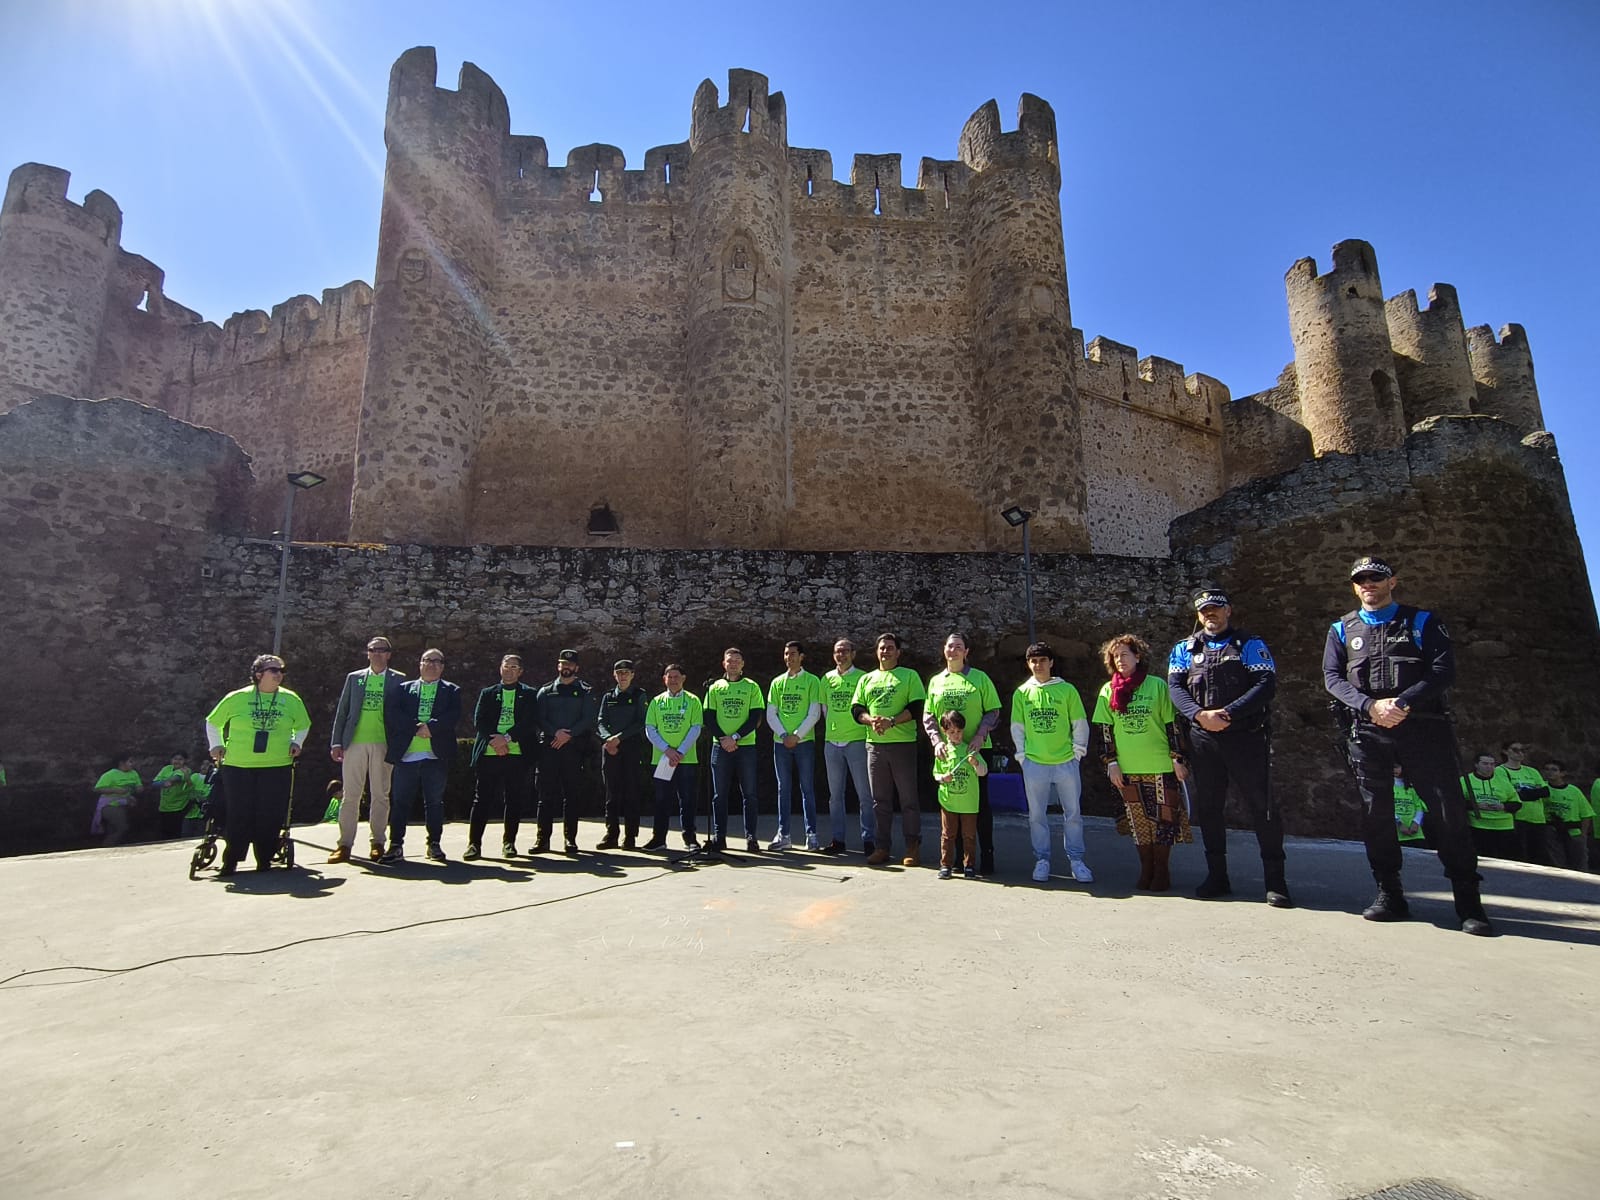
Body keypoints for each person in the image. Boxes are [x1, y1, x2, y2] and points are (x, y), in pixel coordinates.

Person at [1323, 555, 1493, 935]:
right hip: (1367, 731)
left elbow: (1442, 670)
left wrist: (1403, 703)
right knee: (1376, 814)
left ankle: (1469, 902)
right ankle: (1390, 893)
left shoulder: (1422, 621)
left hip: (1422, 727)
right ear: (1354, 586)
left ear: (1392, 582)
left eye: (1376, 578)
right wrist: (1370, 705)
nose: (1368, 584)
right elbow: (1332, 678)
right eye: (1361, 579)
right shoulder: (1341, 629)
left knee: (1447, 812)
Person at [1166, 590, 1291, 907]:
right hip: (1203, 739)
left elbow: (1265, 686)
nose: (1211, 614)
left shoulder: (1249, 644)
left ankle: (1276, 883)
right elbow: (1176, 688)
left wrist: (1228, 714)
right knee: (1209, 808)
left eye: (1216, 609)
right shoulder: (1184, 648)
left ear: (1228, 611)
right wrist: (1198, 715)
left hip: (1245, 737)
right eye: (1205, 610)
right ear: (1198, 615)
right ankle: (1217, 876)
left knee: (1262, 807)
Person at [1092, 633, 1192, 891]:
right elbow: (1104, 731)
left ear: (1137, 656)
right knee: (1139, 824)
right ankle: (1146, 869)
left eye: (1125, 654)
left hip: (1159, 765)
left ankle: (1162, 870)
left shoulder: (1157, 686)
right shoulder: (1107, 691)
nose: (1120, 659)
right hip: (1127, 769)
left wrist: (1178, 758)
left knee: (1164, 822)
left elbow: (1173, 725)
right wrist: (1111, 763)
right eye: (1115, 656)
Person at [204, 654, 311, 875]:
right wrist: (217, 745)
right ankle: (231, 860)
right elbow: (213, 722)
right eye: (274, 670)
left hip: (276, 764)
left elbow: (303, 724)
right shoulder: (237, 697)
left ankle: (264, 859)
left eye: (281, 671)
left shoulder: (291, 699)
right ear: (259, 674)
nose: (279, 675)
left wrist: (296, 742)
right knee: (239, 812)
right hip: (238, 764)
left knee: (269, 813)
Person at [1010, 641, 1093, 885]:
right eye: (1034, 661)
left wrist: (1077, 752)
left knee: (1073, 814)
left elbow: (1079, 722)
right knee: (1036, 815)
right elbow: (1018, 727)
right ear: (1028, 664)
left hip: (1065, 762)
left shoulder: (1067, 690)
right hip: (1035, 764)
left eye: (1043, 660)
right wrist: (1022, 757)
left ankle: (1077, 860)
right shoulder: (1022, 693)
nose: (1038, 665)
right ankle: (1042, 860)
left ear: (1051, 663)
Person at [922, 633, 1003, 876]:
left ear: (966, 651)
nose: (953, 650)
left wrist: (979, 735)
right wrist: (937, 742)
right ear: (943, 650)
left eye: (959, 647)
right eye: (950, 646)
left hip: (976, 751)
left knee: (979, 805)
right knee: (954, 803)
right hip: (948, 751)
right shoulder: (936, 681)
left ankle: (985, 856)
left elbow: (993, 711)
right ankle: (956, 860)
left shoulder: (979, 678)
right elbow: (929, 716)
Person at [328, 635, 407, 863]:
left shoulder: (398, 680)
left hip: (383, 742)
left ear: (389, 654)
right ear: (368, 653)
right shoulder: (354, 678)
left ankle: (378, 842)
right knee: (350, 795)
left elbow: (402, 714)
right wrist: (336, 742)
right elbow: (343, 711)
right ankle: (344, 844)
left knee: (381, 794)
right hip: (355, 742)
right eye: (373, 650)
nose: (377, 654)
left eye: (382, 650)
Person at [851, 633, 927, 866]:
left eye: (890, 648)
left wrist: (891, 721)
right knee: (879, 800)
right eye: (882, 648)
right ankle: (882, 847)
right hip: (874, 746)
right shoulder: (867, 679)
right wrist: (871, 720)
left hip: (902, 745)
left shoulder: (909, 676)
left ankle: (912, 846)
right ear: (877, 652)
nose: (886, 651)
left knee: (908, 799)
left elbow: (917, 707)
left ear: (898, 652)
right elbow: (856, 709)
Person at [382, 648, 462, 864]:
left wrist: (432, 728)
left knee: (434, 802)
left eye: (438, 661)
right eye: (428, 660)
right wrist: (416, 727)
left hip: (435, 756)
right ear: (420, 664)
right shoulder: (403, 689)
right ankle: (396, 845)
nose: (432, 665)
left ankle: (434, 844)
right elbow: (392, 714)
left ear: (443, 666)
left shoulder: (452, 690)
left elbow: (453, 715)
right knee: (400, 802)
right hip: (407, 755)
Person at [466, 654, 538, 861]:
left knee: (514, 799)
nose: (509, 670)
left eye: (514, 667)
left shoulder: (529, 694)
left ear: (520, 671)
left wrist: (506, 739)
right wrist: (495, 742)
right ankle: (474, 844)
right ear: (500, 668)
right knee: (482, 800)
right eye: (506, 666)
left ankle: (509, 843)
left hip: (516, 753)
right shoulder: (488, 693)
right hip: (489, 753)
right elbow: (480, 720)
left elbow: (528, 722)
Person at [533, 649, 598, 855]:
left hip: (573, 749)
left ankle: (570, 840)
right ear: (558, 666)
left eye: (570, 665)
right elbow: (539, 718)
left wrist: (569, 734)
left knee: (571, 796)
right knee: (545, 796)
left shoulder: (585, 691)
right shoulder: (545, 691)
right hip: (550, 748)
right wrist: (556, 733)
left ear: (576, 668)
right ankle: (542, 840)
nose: (566, 668)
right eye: (563, 664)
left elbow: (588, 718)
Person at [705, 648, 766, 853]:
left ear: (743, 664)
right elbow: (709, 717)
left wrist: (735, 737)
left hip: (745, 746)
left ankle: (751, 837)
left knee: (749, 794)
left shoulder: (752, 687)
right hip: (719, 746)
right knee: (719, 795)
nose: (733, 664)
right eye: (729, 661)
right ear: (724, 664)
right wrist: (724, 739)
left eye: (737, 661)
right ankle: (719, 836)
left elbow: (755, 717)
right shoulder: (715, 687)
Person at [767, 641, 823, 851]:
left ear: (802, 657)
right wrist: (783, 735)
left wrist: (797, 736)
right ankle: (784, 834)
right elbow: (771, 713)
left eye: (793, 654)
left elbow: (814, 713)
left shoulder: (812, 681)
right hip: (780, 743)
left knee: (807, 788)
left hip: (804, 743)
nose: (789, 657)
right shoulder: (777, 682)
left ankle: (812, 835)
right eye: (786, 653)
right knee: (783, 789)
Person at [643, 664, 703, 850]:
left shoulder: (693, 701)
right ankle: (659, 838)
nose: (673, 680)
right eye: (670, 677)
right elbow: (650, 728)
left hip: (686, 759)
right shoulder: (656, 701)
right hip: (662, 759)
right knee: (662, 799)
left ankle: (690, 838)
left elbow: (696, 728)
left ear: (683, 678)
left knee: (687, 799)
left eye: (677, 677)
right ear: (664, 679)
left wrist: (680, 752)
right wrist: (667, 750)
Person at [820, 638, 871, 855]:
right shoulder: (827, 679)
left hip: (857, 740)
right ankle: (838, 840)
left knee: (865, 795)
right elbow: (824, 709)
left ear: (853, 653)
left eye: (845, 651)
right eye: (837, 651)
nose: (841, 655)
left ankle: (869, 840)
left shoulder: (863, 678)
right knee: (835, 796)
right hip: (832, 742)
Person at [596, 659, 648, 850]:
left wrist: (619, 738)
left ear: (632, 674)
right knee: (612, 794)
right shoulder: (608, 696)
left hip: (631, 749)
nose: (623, 676)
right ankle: (611, 834)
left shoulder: (639, 695)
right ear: (614, 675)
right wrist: (608, 739)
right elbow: (601, 721)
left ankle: (630, 836)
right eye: (619, 673)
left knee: (631, 793)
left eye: (626, 672)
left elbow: (641, 722)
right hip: (611, 749)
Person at [933, 711, 986, 880]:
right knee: (948, 835)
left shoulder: (970, 750)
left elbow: (983, 772)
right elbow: (936, 774)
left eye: (959, 731)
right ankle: (945, 865)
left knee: (969, 835)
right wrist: (943, 777)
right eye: (952, 732)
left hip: (969, 803)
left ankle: (969, 865)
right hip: (949, 801)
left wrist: (976, 763)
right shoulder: (943, 752)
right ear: (945, 732)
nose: (956, 735)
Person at [1496, 742, 1553, 865]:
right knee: (1519, 855)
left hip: (1537, 818)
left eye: (1523, 750)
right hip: (1518, 817)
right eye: (1516, 750)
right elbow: (1509, 794)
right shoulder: (1500, 771)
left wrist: (1525, 793)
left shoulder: (1532, 771)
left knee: (1538, 856)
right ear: (1506, 751)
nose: (1520, 753)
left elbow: (1545, 791)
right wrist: (1531, 793)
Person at [1462, 750, 1521, 862]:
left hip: (1504, 827)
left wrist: (1503, 806)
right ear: (1476, 765)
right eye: (1485, 764)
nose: (1489, 767)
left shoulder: (1503, 782)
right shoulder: (1465, 780)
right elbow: (1457, 802)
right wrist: (1476, 805)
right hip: (1478, 827)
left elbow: (1517, 804)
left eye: (1492, 764)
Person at [1542, 760, 1594, 872]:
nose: (1550, 772)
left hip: (1573, 831)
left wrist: (1583, 835)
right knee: (1557, 864)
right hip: (1552, 830)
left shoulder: (1574, 791)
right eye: (1547, 769)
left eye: (1554, 770)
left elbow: (1586, 814)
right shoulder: (1542, 788)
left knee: (1579, 864)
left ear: (1562, 773)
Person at [92, 752, 142, 846]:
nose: (133, 764)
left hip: (125, 804)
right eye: (130, 761)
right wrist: (115, 790)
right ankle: (107, 846)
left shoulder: (134, 773)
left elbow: (139, 787)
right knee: (122, 827)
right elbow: (97, 789)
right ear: (122, 763)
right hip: (110, 805)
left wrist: (137, 789)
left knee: (113, 829)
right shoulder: (110, 774)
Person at [152, 751, 199, 839]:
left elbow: (177, 778)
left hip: (179, 807)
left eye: (180, 759)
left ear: (185, 761)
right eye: (175, 759)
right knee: (164, 833)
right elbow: (154, 783)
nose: (177, 761)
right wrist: (163, 783)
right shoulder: (166, 769)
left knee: (175, 834)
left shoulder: (185, 770)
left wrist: (167, 781)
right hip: (164, 807)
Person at [1392, 764, 1427, 848]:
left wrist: (1416, 822)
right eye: (1392, 767)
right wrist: (1399, 823)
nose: (1395, 770)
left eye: (1397, 767)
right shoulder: (1389, 786)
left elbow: (1419, 806)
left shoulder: (1412, 786)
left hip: (1415, 832)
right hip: (1397, 834)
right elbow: (1387, 807)